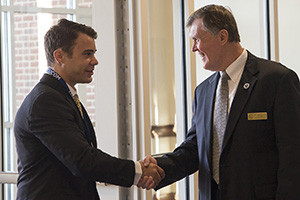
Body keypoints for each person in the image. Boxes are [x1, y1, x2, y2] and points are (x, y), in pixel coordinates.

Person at [142, 4, 300, 200]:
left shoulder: (277, 80)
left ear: (223, 37)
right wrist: (160, 167)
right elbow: (195, 148)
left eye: (197, 39)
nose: (193, 48)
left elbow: (293, 154)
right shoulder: (203, 91)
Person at [14, 19, 164, 200]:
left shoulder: (60, 95)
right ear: (59, 56)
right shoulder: (45, 100)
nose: (95, 61)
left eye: (94, 53)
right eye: (87, 54)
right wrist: (138, 170)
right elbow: (82, 160)